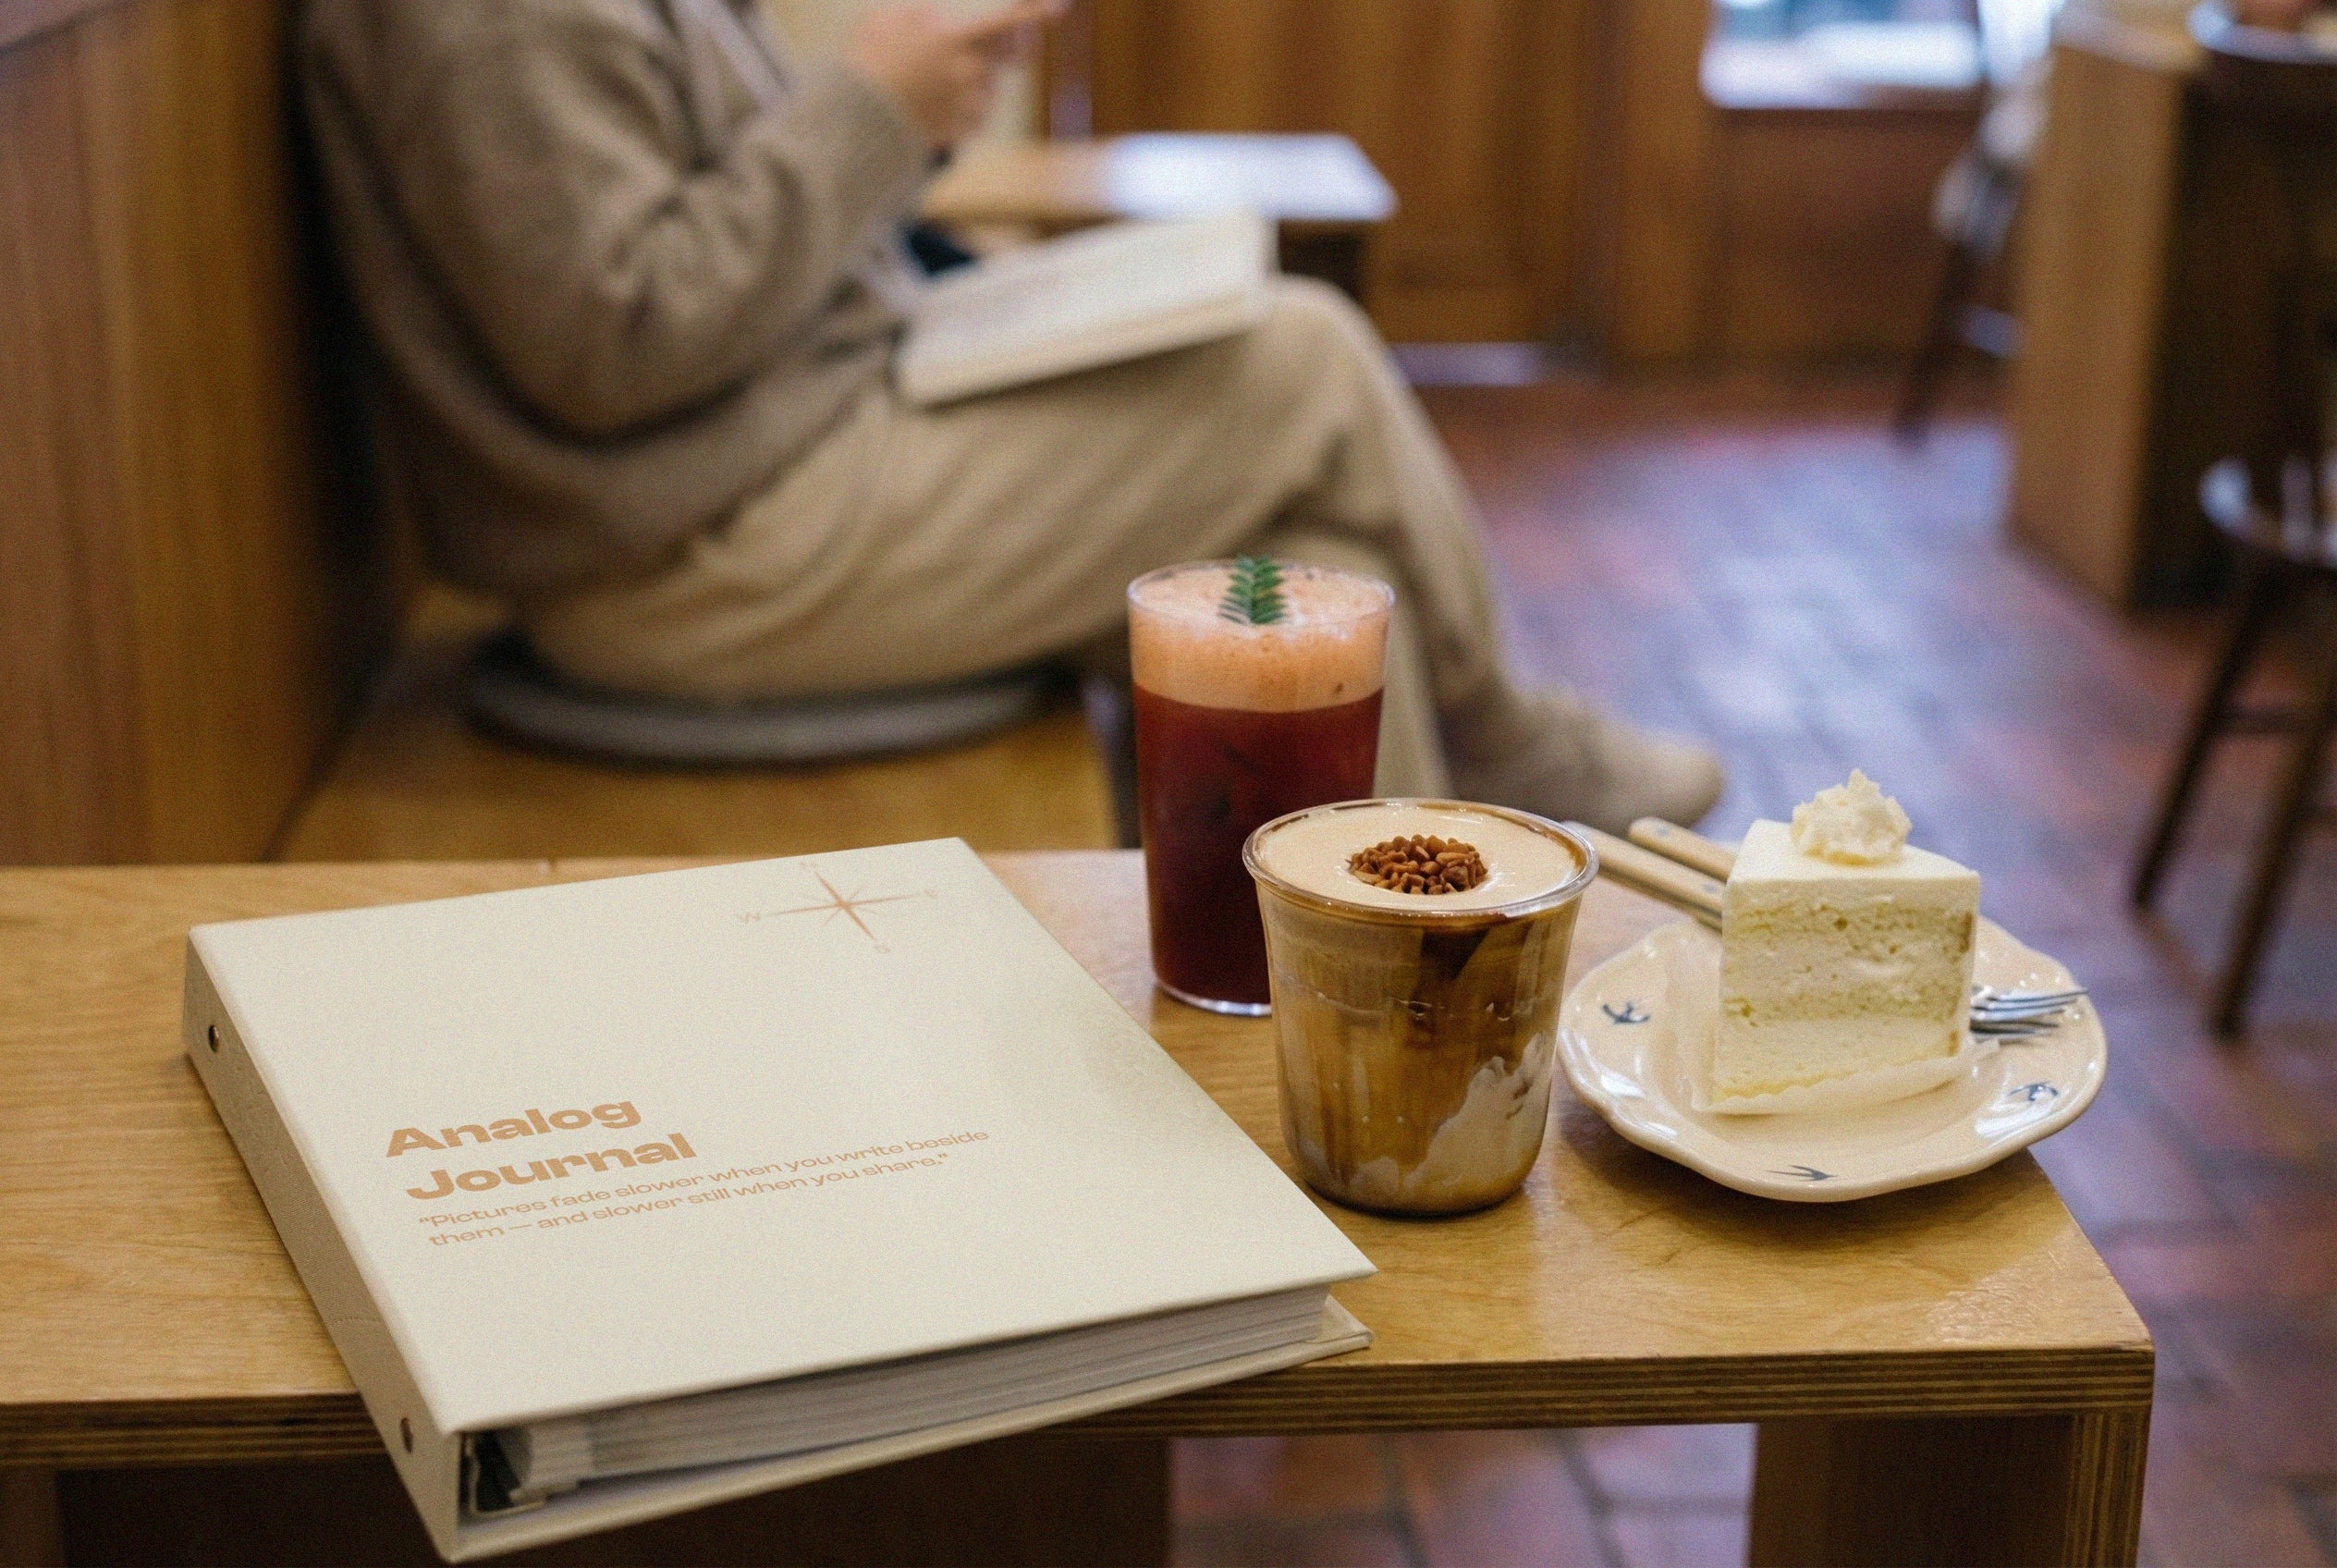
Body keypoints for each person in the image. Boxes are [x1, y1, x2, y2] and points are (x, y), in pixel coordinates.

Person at [301, 0, 1725, 832]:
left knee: (1300, 574)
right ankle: (1513, 751)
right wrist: (872, 107)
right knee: (1303, 353)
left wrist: (909, 177)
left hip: (769, 469)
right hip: (685, 556)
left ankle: (1368, 1004)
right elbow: (611, 341)